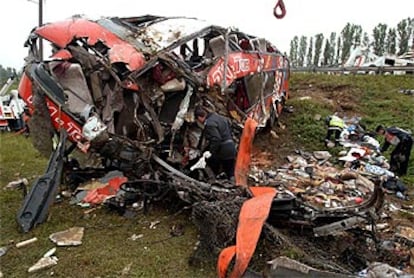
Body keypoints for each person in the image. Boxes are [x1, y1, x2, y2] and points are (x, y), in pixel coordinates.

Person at [194, 106, 237, 179]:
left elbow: (216, 139)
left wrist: (210, 152)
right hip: (231, 147)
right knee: (230, 172)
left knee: (213, 166)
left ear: (199, 117)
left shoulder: (209, 124)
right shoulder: (221, 118)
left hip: (223, 150)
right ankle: (235, 187)